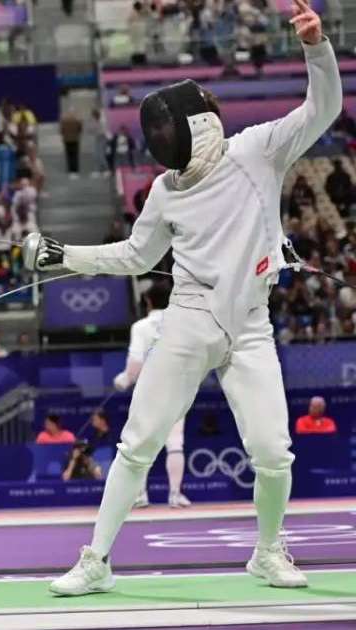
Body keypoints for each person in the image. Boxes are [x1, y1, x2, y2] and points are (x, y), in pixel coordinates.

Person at [26, 0, 334, 594]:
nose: (160, 142)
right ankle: (96, 560)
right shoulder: (166, 191)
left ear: (198, 126)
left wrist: (316, 48)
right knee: (138, 442)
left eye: (167, 131)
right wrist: (67, 257)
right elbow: (135, 256)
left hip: (250, 324)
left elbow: (323, 107)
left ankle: (267, 552)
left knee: (273, 451)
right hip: (190, 319)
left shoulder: (257, 151)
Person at [111, 282, 192, 509]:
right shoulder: (183, 325)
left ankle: (140, 495)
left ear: (148, 302)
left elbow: (135, 363)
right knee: (175, 442)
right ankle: (175, 494)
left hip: (149, 391)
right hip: (177, 389)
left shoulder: (141, 327)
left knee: (141, 443)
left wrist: (125, 379)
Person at [60, 109, 83, 179]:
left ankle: (70, 170)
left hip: (67, 140)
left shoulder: (64, 121)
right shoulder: (77, 120)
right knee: (75, 155)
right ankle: (75, 171)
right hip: (75, 139)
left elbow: (61, 130)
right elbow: (80, 129)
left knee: (69, 155)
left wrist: (64, 135)